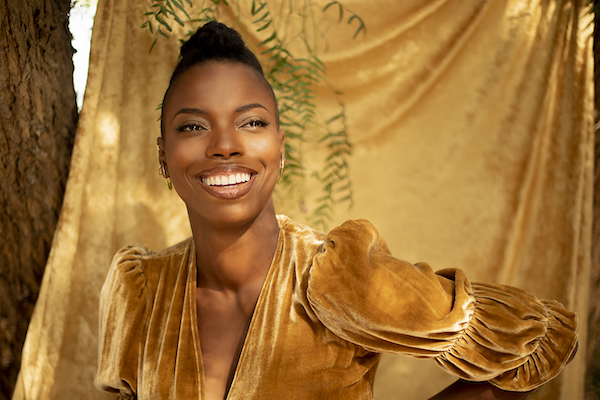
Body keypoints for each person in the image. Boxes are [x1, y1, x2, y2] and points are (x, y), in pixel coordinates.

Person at [95, 22, 578, 400]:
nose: (225, 146)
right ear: (163, 155)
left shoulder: (336, 281)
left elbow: (540, 342)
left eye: (252, 122)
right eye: (194, 126)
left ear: (279, 150)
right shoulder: (140, 292)